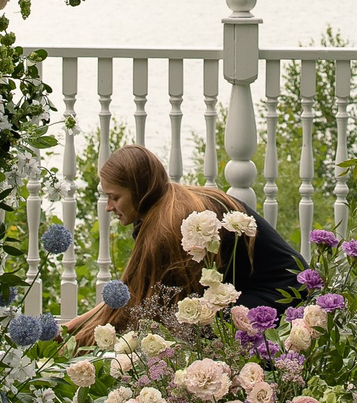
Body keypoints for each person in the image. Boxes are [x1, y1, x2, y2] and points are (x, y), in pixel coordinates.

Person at [62, 145, 301, 342]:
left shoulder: (168, 225)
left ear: (140, 191)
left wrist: (80, 338)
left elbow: (139, 303)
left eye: (115, 197)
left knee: (196, 331)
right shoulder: (163, 204)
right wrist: (74, 325)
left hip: (285, 295)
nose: (108, 207)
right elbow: (131, 289)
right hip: (249, 291)